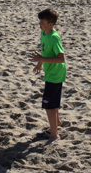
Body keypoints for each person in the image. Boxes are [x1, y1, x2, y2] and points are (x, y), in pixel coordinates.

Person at [29, 8, 66, 144]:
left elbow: (61, 58)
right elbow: (44, 52)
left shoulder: (54, 37)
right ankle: (57, 123)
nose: (40, 24)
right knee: (53, 101)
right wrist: (39, 64)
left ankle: (54, 135)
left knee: (48, 105)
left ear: (51, 24)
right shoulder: (44, 33)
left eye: (43, 22)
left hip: (55, 74)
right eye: (40, 21)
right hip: (51, 74)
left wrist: (41, 58)